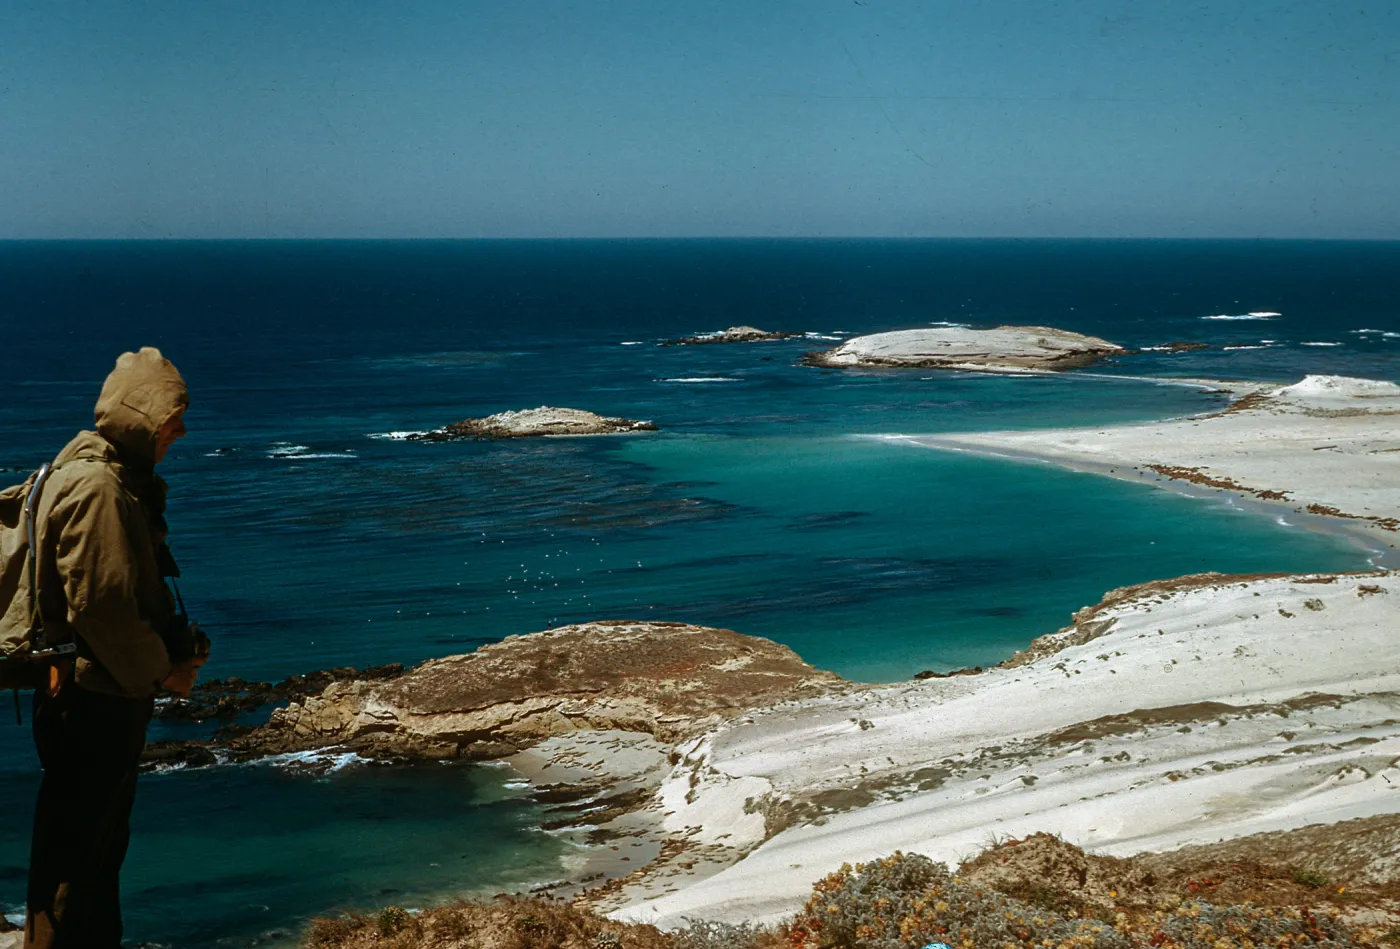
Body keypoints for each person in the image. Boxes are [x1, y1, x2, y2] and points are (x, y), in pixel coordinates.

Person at [24, 348, 208, 949]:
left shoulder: (90, 470)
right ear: (142, 418)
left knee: (87, 854)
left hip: (87, 696)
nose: (179, 431)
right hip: (94, 701)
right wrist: (166, 672)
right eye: (170, 419)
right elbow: (101, 609)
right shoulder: (100, 486)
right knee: (79, 863)